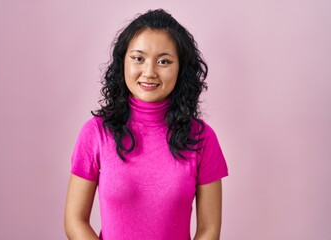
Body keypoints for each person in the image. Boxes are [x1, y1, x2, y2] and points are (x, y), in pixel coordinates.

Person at [64, 9, 229, 240]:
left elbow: (209, 230)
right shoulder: (96, 132)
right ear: (123, 61)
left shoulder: (202, 138)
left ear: (181, 68)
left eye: (164, 61)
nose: (149, 72)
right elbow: (74, 221)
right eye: (138, 58)